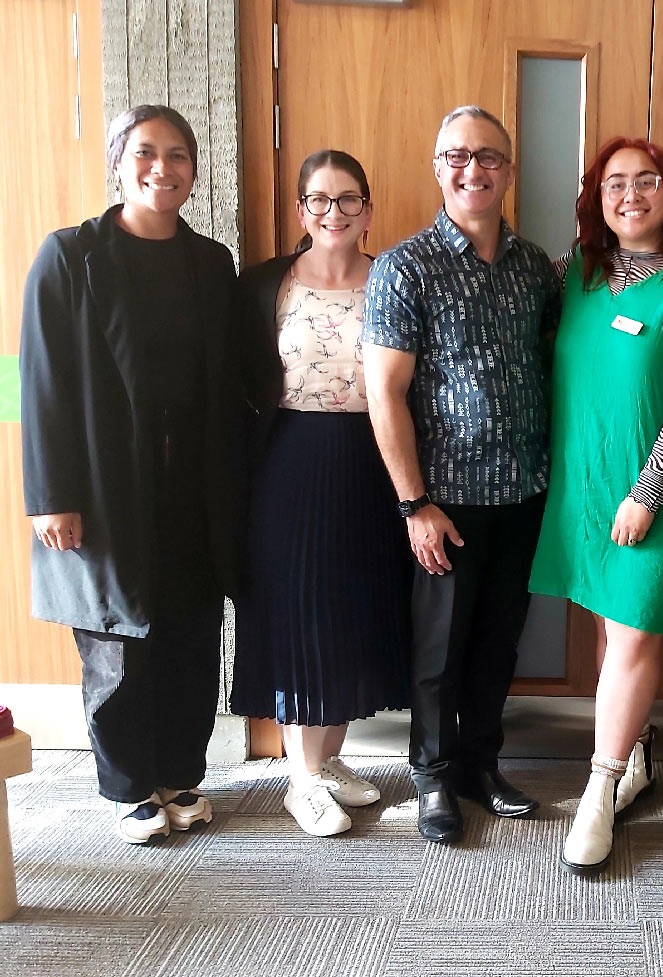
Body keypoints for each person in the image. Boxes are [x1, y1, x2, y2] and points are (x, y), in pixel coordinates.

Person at [19, 105, 240, 843]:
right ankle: (127, 787)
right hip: (107, 486)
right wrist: (52, 496)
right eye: (147, 152)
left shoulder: (211, 262)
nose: (163, 168)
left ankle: (181, 772)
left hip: (193, 487)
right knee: (115, 643)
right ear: (119, 162)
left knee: (190, 634)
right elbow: (44, 384)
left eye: (179, 155)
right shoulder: (70, 256)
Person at [528, 137, 663, 875]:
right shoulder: (568, 274)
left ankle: (600, 784)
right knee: (612, 631)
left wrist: (647, 493)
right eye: (615, 182)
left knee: (636, 632)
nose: (631, 193)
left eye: (647, 180)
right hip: (582, 492)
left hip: (659, 495)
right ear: (596, 197)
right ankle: (634, 757)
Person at [361, 106, 559, 845]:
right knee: (439, 655)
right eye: (455, 156)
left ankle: (481, 766)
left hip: (522, 494)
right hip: (443, 503)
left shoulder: (535, 265)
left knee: (498, 644)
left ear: (508, 170)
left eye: (486, 157)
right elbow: (385, 393)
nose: (470, 169)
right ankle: (434, 778)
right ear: (436, 166)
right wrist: (414, 503)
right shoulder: (405, 267)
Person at [231, 150, 410, 837]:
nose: (332, 212)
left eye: (347, 199)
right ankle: (300, 778)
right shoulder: (267, 284)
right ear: (302, 210)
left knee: (350, 609)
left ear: (368, 208)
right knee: (303, 608)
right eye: (318, 199)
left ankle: (327, 760)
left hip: (373, 458)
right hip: (292, 461)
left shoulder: (393, 278)